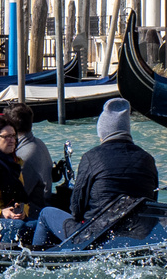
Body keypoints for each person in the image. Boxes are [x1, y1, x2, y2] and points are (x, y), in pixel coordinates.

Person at [62, 98, 159, 236]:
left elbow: (76, 208)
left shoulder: (91, 157)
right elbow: (152, 204)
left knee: (46, 214)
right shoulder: (148, 159)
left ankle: (40, 255)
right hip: (137, 234)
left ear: (103, 132)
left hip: (96, 235)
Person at [1, 103, 55, 209]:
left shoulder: (23, 157)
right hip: (43, 203)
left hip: (33, 211)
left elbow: (16, 199)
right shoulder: (38, 143)